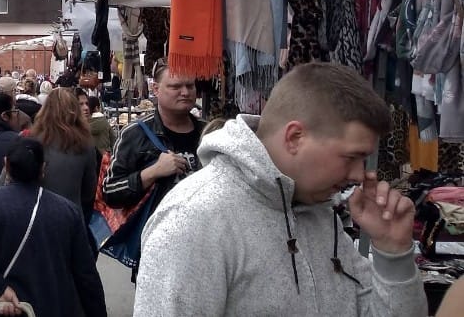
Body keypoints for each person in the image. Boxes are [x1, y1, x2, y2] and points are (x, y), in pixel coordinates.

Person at [135, 62, 427, 315]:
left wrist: (393, 254)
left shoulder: (320, 212)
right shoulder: (193, 221)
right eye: (351, 157)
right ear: (295, 137)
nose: (360, 175)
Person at [0, 138, 107, 317]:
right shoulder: (67, 211)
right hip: (54, 305)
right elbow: (86, 275)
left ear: (6, 165)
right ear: (42, 169)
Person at [103, 59, 205, 210]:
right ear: (156, 89)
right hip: (154, 230)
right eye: (175, 86)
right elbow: (110, 192)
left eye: (190, 86)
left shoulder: (209, 132)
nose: (185, 92)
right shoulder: (134, 134)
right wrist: (153, 172)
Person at [29, 90, 98, 224]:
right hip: (71, 217)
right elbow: (89, 191)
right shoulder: (85, 144)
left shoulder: (32, 140)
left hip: (36, 217)